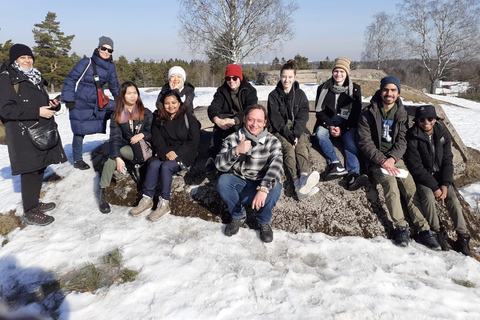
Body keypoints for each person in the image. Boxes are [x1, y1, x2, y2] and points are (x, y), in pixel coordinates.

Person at [357, 76, 440, 250]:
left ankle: (423, 229)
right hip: (376, 160)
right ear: (380, 91)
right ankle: (401, 227)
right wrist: (382, 160)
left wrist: (393, 159)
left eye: (393, 90)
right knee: (391, 185)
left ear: (398, 92)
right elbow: (365, 141)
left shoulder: (401, 113)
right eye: (386, 90)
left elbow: (402, 141)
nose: (389, 93)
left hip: (395, 159)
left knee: (410, 187)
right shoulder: (368, 112)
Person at [0, 44, 67, 226]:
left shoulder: (33, 76)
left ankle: (34, 202)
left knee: (39, 167)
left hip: (39, 131)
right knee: (30, 171)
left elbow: (40, 101)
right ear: (15, 61)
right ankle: (30, 212)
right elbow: (6, 110)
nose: (28, 60)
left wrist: (53, 105)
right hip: (23, 134)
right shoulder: (7, 80)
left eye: (29, 57)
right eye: (22, 58)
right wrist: (37, 111)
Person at [405, 105, 471, 255]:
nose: (426, 122)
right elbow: (416, 167)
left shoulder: (442, 134)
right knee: (427, 196)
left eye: (430, 118)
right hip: (423, 177)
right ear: (417, 121)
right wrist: (435, 187)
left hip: (441, 176)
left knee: (453, 199)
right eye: (422, 119)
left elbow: (448, 160)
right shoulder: (412, 136)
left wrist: (445, 185)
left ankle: (463, 236)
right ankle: (436, 231)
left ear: (435, 119)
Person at [215, 104, 283, 243]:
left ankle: (263, 221)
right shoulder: (233, 138)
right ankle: (238, 215)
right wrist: (236, 151)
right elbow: (219, 165)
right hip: (240, 182)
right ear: (245, 120)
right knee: (223, 181)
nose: (254, 124)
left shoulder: (272, 141)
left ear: (265, 123)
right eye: (251, 120)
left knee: (275, 187)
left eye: (259, 121)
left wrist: (264, 188)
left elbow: (277, 167)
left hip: (260, 184)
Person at [130, 90, 200, 221]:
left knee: (166, 167)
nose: (170, 106)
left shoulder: (188, 117)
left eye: (174, 102)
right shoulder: (159, 118)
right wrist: (166, 152)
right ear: (163, 104)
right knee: (153, 164)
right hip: (166, 151)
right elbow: (157, 140)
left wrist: (177, 153)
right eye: (167, 103)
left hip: (185, 153)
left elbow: (194, 140)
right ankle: (147, 198)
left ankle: (164, 203)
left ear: (179, 103)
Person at [62, 36, 119, 170]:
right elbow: (71, 79)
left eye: (110, 50)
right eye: (104, 48)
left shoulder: (110, 67)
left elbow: (115, 86)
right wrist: (69, 99)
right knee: (79, 130)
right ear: (98, 48)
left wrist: (123, 102)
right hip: (80, 101)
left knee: (118, 110)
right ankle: (77, 159)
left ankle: (116, 143)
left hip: (97, 101)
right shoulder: (85, 62)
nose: (106, 52)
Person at [98, 81, 153, 214]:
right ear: (123, 96)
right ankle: (102, 193)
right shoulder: (117, 114)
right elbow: (115, 138)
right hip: (127, 148)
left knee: (118, 152)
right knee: (110, 162)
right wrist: (117, 157)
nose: (133, 96)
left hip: (143, 148)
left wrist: (142, 135)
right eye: (129, 93)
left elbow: (153, 133)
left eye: (135, 93)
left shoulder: (146, 113)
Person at [267, 59, 319, 200]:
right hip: (281, 130)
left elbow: (303, 116)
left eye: (290, 77)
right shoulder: (273, 95)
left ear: (294, 77)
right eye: (284, 76)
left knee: (301, 146)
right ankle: (297, 184)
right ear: (280, 76)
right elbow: (276, 119)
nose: (286, 80)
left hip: (297, 128)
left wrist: (295, 134)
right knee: (289, 149)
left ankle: (304, 178)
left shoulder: (300, 95)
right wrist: (289, 135)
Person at [315, 57, 368, 191]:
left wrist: (342, 128)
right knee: (320, 134)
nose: (338, 74)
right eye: (336, 71)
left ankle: (353, 173)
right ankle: (335, 163)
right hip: (327, 122)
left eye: (342, 71)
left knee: (350, 141)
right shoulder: (323, 88)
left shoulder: (354, 89)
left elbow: (356, 113)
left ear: (347, 73)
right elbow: (319, 111)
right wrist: (330, 126)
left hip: (346, 123)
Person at [206, 64, 258, 171]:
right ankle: (213, 156)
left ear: (240, 78)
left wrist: (235, 120)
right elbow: (213, 107)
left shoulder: (249, 90)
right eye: (228, 78)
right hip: (226, 120)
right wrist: (217, 120)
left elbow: (250, 109)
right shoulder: (222, 91)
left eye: (234, 78)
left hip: (243, 120)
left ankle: (240, 158)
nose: (231, 81)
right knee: (218, 123)